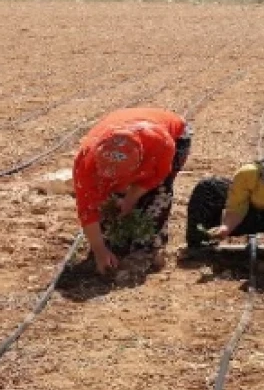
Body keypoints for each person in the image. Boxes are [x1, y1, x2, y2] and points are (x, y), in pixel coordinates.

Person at [72, 108, 191, 274]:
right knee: (109, 202)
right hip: (125, 126)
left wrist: (131, 197)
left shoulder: (161, 146)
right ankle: (114, 240)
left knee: (158, 192)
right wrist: (99, 250)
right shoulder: (85, 161)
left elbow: (159, 175)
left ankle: (149, 248)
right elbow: (87, 207)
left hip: (174, 133)